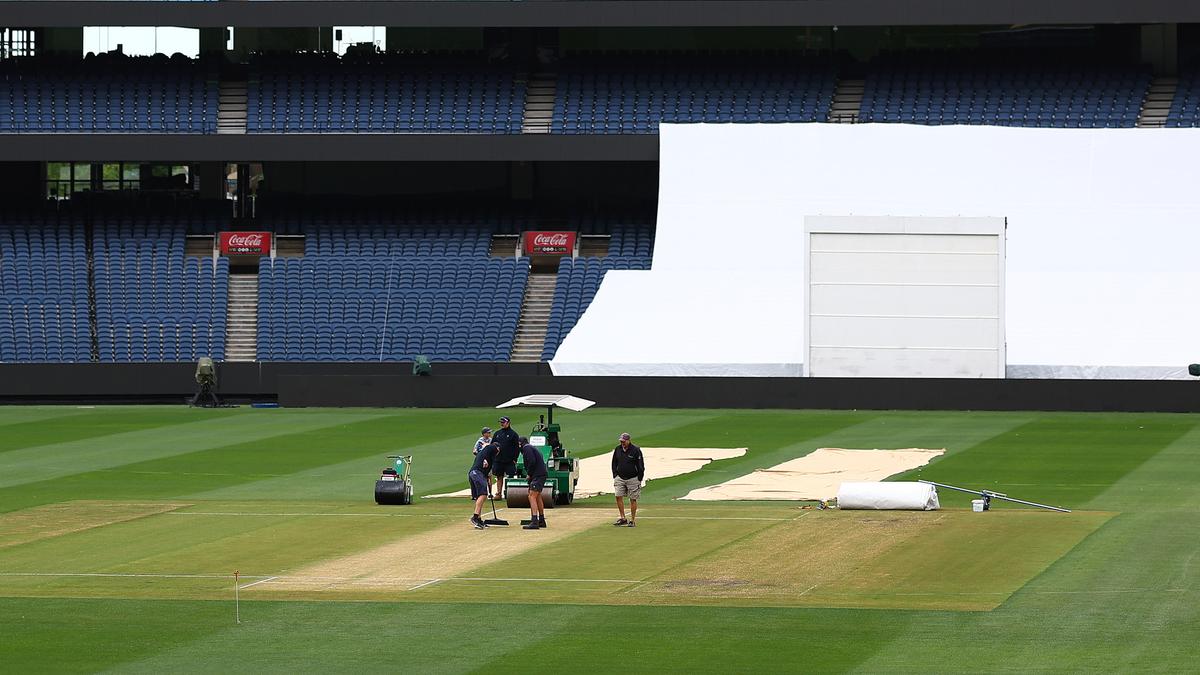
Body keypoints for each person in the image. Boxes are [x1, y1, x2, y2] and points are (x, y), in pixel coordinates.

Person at [612, 432, 645, 527]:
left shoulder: (635, 450)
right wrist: (615, 474)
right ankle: (623, 518)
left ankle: (632, 520)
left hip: (633, 478)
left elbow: (640, 465)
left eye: (624, 441)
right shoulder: (618, 449)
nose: (622, 443)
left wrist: (639, 478)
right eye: (621, 441)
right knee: (618, 496)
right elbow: (614, 462)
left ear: (628, 440)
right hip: (620, 477)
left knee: (633, 499)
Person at [468, 442, 499, 529]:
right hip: (477, 473)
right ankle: (475, 517)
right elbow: (489, 447)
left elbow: (488, 473)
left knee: (479, 496)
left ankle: (478, 519)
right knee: (483, 495)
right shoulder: (491, 449)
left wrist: (488, 481)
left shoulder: (489, 457)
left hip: (473, 474)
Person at [519, 436, 549, 530]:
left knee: (531, 496)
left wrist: (529, 474)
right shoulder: (531, 447)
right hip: (540, 474)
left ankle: (535, 521)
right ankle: (541, 520)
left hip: (537, 475)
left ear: (521, 443)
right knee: (537, 496)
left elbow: (532, 461)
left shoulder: (526, 448)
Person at [490, 416, 520, 500]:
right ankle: (498, 493)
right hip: (498, 460)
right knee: (499, 476)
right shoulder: (497, 433)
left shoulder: (513, 434)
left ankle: (509, 493)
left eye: (503, 422)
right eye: (501, 422)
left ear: (508, 423)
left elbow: (517, 448)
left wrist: (515, 459)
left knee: (510, 476)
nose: (502, 424)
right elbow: (492, 445)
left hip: (509, 460)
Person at [473, 426, 494, 496]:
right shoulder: (480, 441)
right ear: (484, 434)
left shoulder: (491, 440)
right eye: (488, 432)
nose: (490, 433)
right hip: (481, 462)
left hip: (489, 460)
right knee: (482, 477)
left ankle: (490, 493)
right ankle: (480, 492)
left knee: (489, 477)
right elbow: (474, 451)